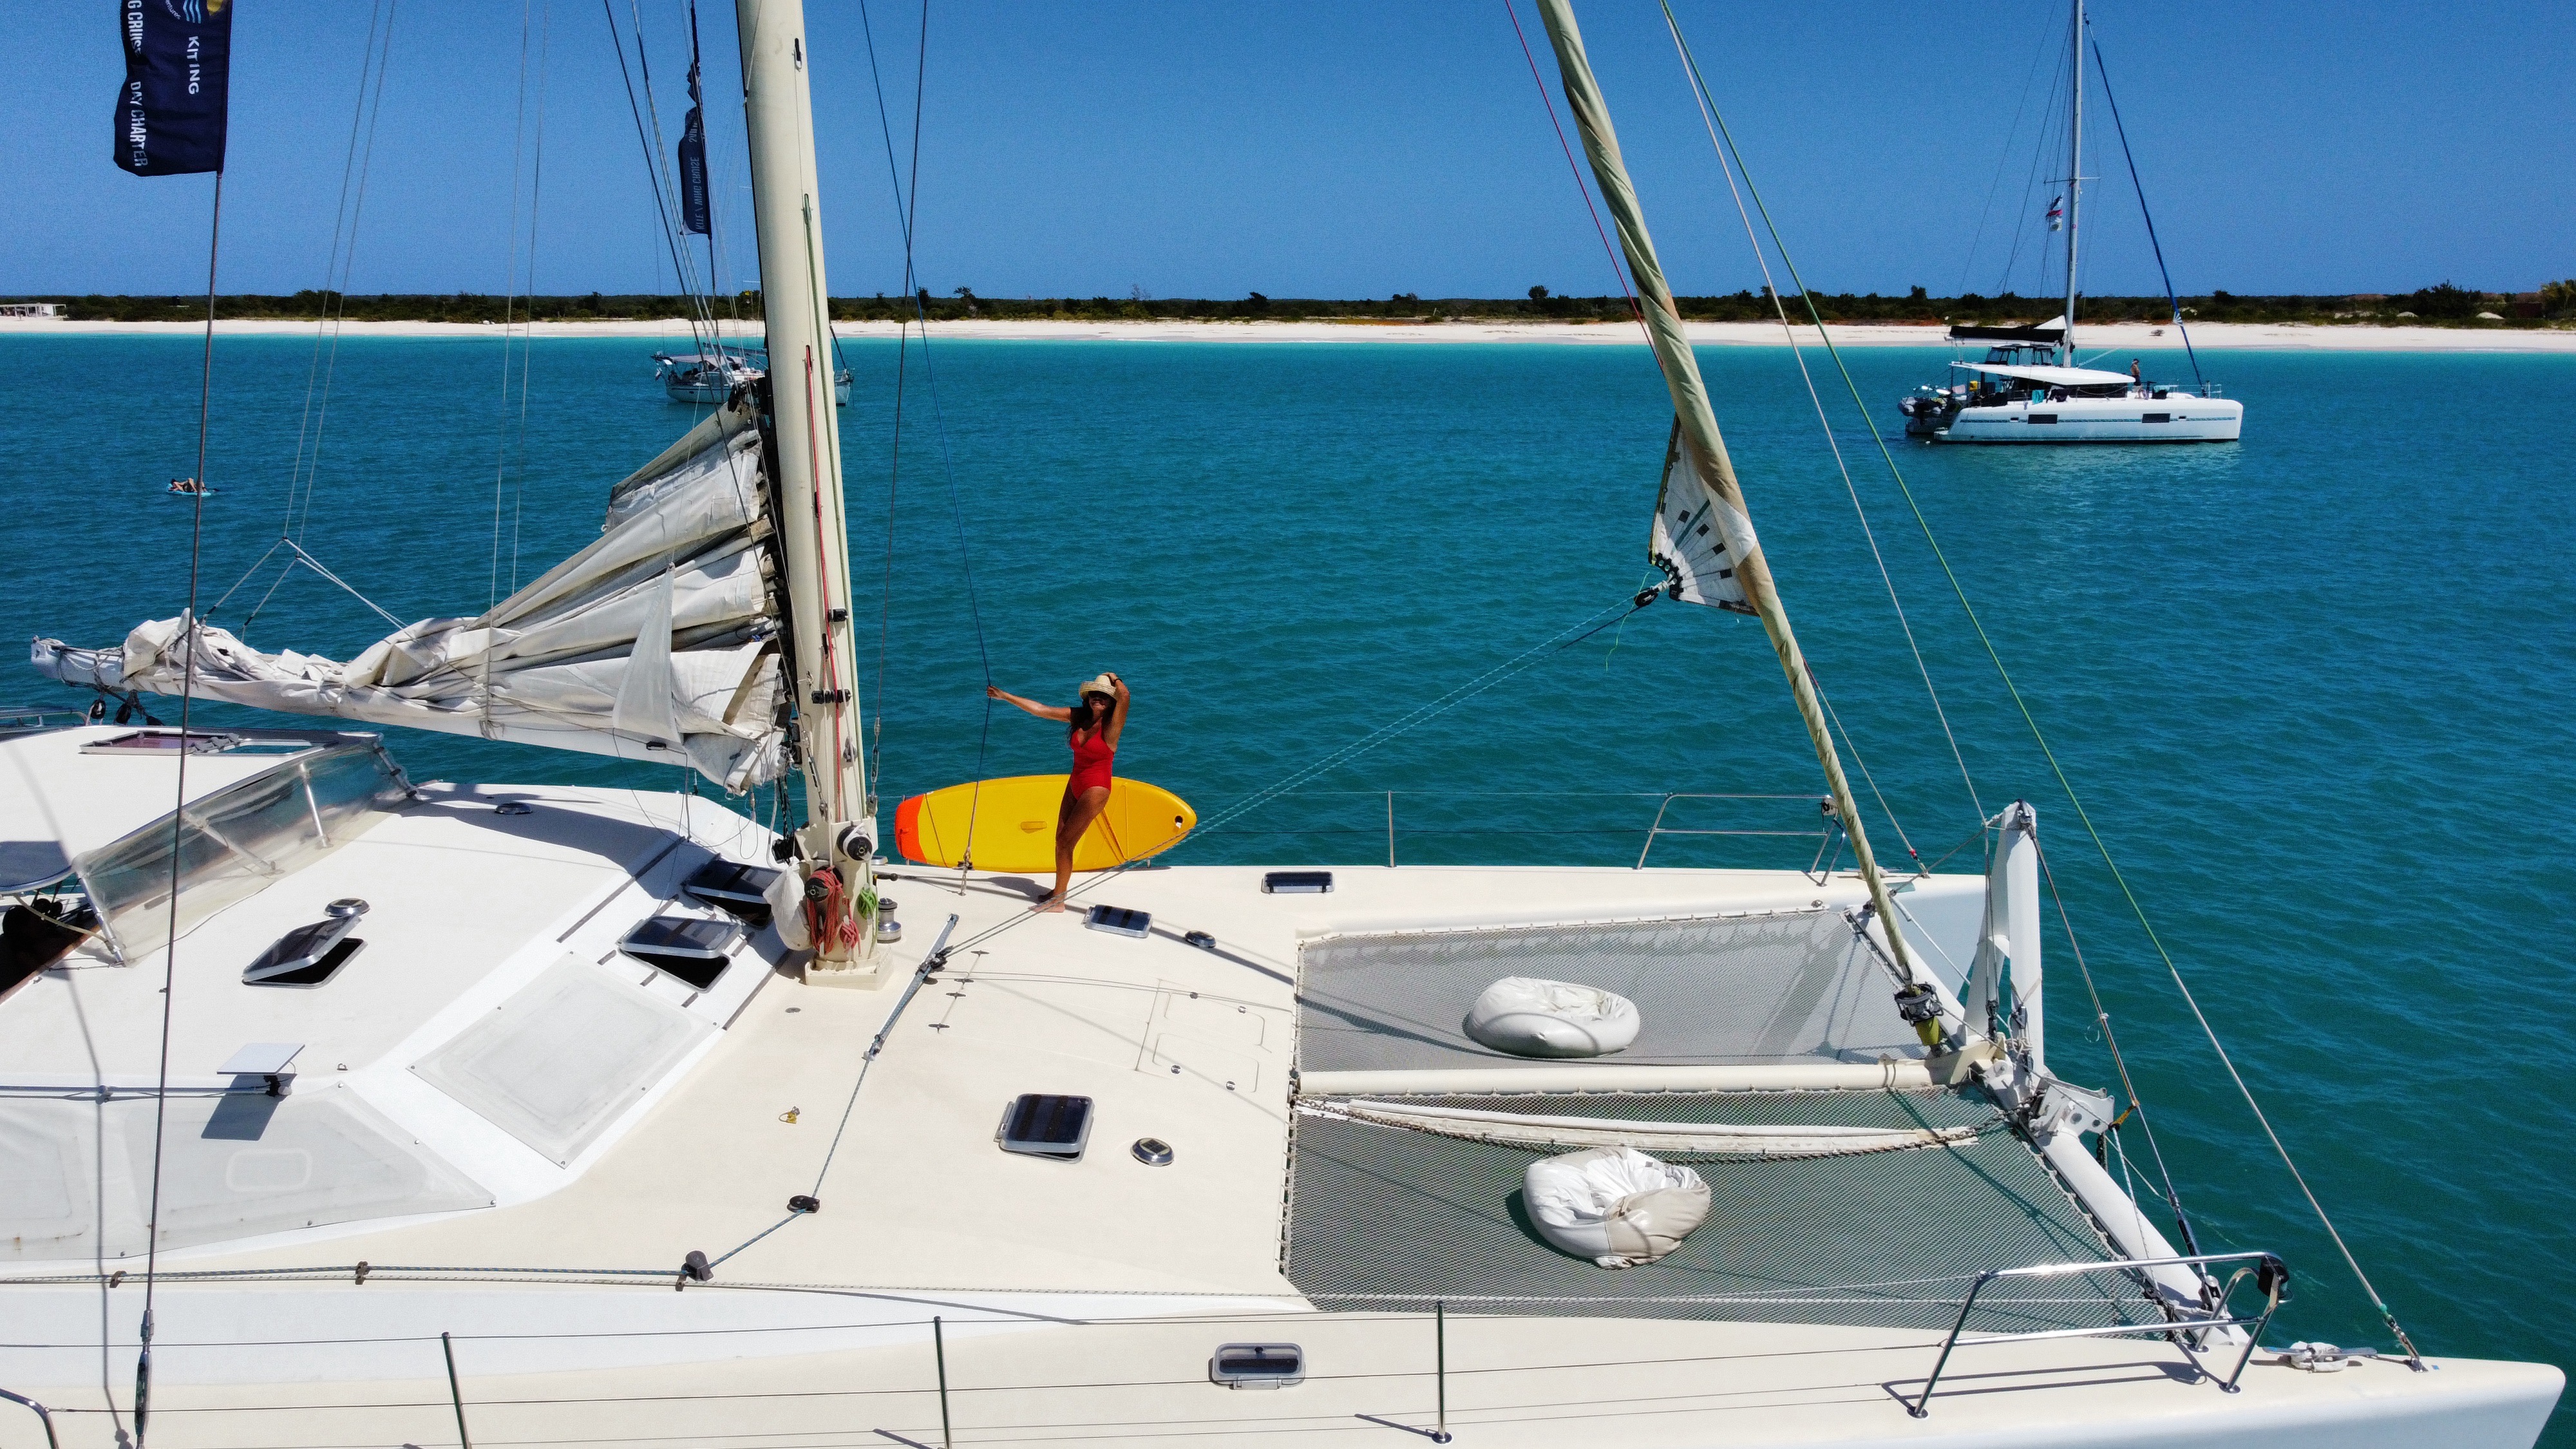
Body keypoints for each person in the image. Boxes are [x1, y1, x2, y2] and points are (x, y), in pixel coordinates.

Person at [987, 672, 1130, 911]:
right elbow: (1040, 710)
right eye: (1095, 694)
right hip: (1076, 782)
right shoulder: (1078, 717)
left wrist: (1113, 677)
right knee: (1060, 840)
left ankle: (1058, 902)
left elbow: (1125, 695)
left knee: (1066, 843)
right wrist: (1004, 696)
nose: (1098, 698)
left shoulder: (1111, 725)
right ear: (1088, 697)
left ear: (1111, 701)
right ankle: (1058, 891)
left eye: (1104, 696)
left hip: (1096, 788)